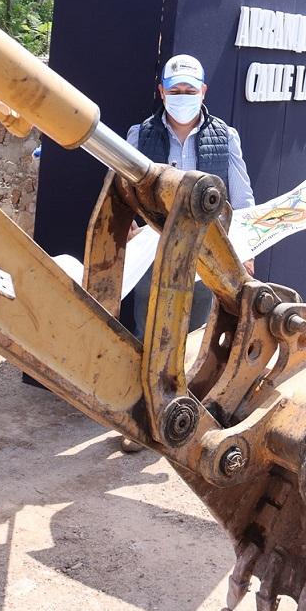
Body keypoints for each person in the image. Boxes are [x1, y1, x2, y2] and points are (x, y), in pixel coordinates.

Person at [121, 53, 256, 452]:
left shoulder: (225, 136)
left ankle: (187, 419)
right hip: (154, 254)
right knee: (151, 337)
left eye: (190, 90)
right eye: (175, 90)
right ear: (162, 92)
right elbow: (125, 191)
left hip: (206, 255)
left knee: (198, 337)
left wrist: (245, 251)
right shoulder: (139, 135)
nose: (183, 96)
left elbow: (243, 197)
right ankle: (144, 420)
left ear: (203, 93)